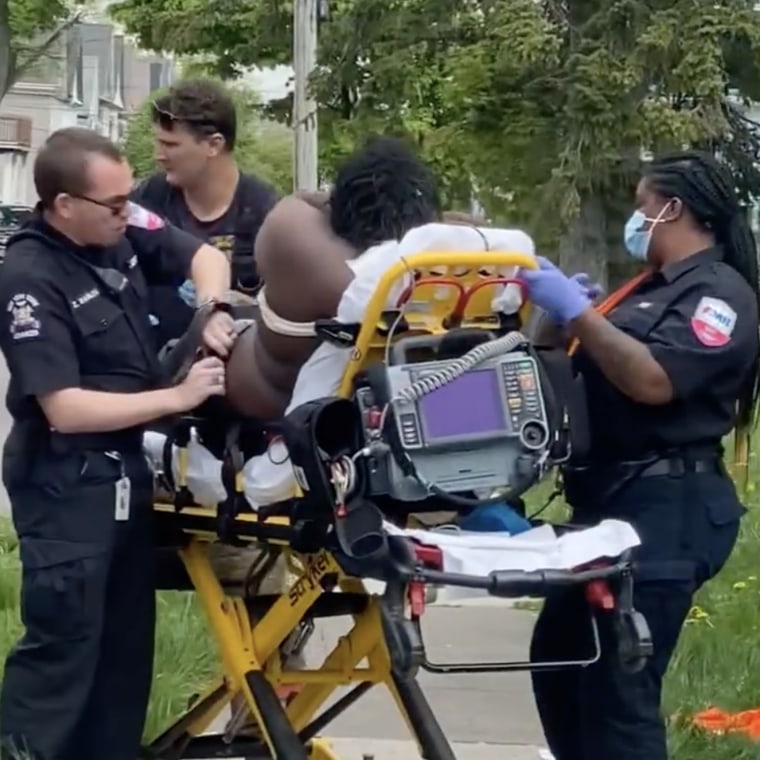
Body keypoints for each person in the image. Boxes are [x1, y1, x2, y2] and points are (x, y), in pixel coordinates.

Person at [0, 127, 234, 760]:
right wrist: (175, 400)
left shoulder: (119, 223)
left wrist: (212, 307)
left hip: (126, 479)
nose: (128, 212)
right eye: (113, 204)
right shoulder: (30, 277)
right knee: (64, 654)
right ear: (63, 205)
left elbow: (205, 256)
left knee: (125, 654)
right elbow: (64, 408)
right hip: (66, 485)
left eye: (129, 199)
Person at [519, 150, 760, 760]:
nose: (636, 217)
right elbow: (572, 369)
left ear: (672, 209)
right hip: (608, 506)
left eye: (642, 206)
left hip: (667, 510)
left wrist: (583, 317)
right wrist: (555, 321)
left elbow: (654, 381)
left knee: (617, 696)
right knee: (559, 661)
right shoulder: (645, 290)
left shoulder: (717, 294)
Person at [224, 135, 442, 420]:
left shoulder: (293, 232)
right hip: (349, 404)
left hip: (258, 392)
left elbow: (302, 198)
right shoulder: (415, 278)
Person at [130, 78, 278, 348]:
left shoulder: (265, 212)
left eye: (171, 145)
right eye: (158, 143)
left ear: (214, 145)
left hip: (234, 371)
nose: (158, 155)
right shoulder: (149, 198)